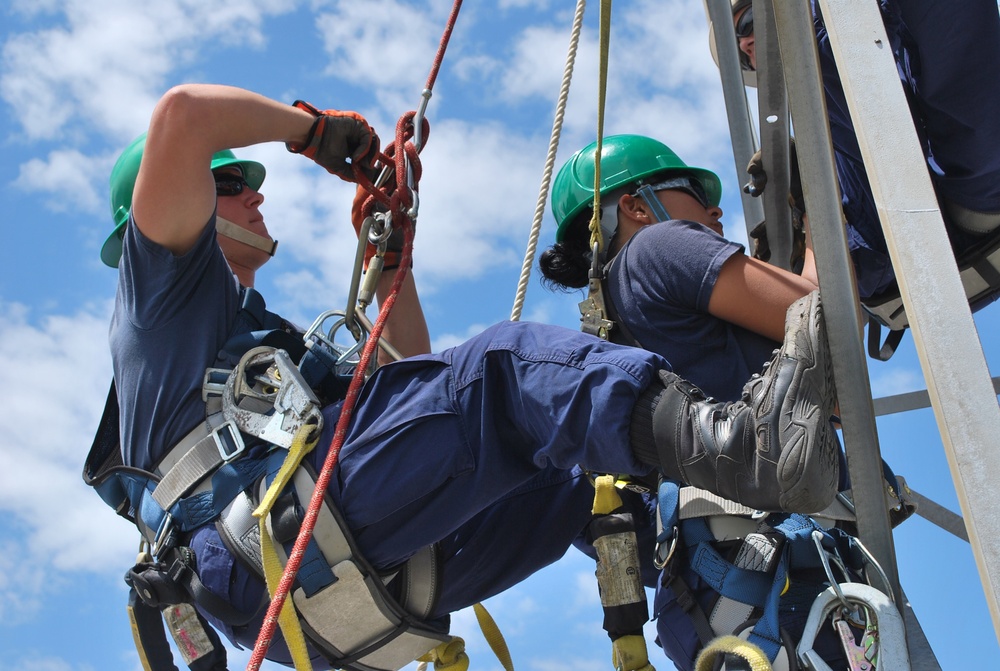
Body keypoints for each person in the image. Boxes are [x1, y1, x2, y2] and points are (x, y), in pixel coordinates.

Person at [97, 83, 839, 670]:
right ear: (167, 203)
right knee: (503, 371)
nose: (256, 193)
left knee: (577, 472)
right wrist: (314, 133)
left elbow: (405, 376)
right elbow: (184, 116)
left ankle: (729, 576)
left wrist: (392, 260)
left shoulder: (259, 348)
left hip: (328, 575)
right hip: (268, 547)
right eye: (231, 183)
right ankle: (750, 445)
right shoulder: (158, 300)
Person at [540, 134, 858, 669]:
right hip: (778, 577)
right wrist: (823, 211)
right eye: (688, 190)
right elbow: (830, 326)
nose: (714, 209)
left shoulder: (611, 333)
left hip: (716, 596)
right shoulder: (658, 246)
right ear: (637, 207)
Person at [724, 0, 1000, 301]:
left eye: (750, 21)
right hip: (887, 247)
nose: (746, 44)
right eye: (739, 53)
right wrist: (808, 212)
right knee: (814, 50)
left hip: (970, 187)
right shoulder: (824, 121)